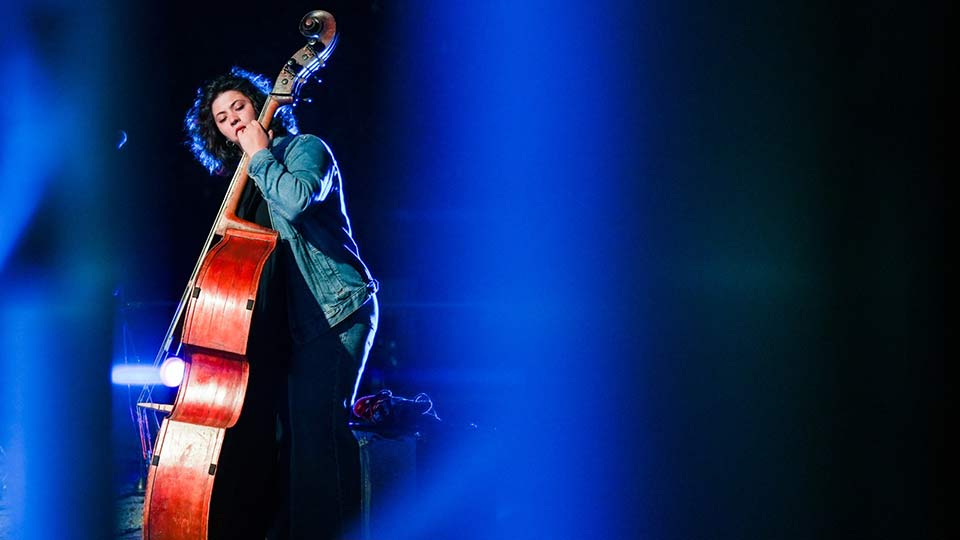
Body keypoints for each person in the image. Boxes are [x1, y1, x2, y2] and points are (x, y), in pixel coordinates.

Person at [183, 67, 379, 540]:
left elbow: (295, 201)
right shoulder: (243, 186)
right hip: (286, 327)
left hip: (334, 311)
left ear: (259, 105)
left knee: (319, 435)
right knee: (288, 443)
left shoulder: (304, 149)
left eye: (239, 107)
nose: (233, 119)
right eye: (222, 118)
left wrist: (259, 155)